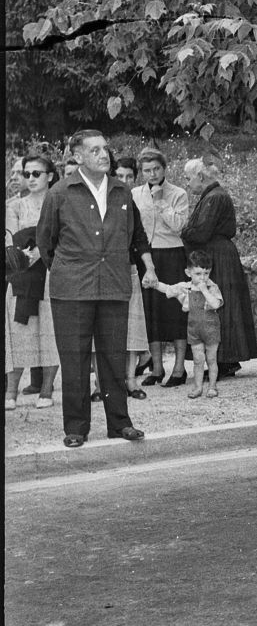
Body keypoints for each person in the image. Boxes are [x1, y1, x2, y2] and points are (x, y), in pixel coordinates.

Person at [34, 129, 157, 447]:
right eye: (95, 150)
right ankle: (76, 427)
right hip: (72, 290)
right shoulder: (60, 193)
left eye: (105, 149)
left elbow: (135, 234)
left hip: (114, 287)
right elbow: (46, 244)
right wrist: (71, 270)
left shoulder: (122, 192)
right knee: (74, 359)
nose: (104, 155)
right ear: (77, 156)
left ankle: (120, 424)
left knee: (114, 358)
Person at [180, 157, 257, 378]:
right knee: (222, 306)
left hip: (218, 256)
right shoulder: (214, 196)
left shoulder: (214, 198)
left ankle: (224, 360)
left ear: (201, 177)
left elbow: (200, 231)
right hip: (218, 254)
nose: (188, 184)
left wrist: (185, 230)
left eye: (189, 179)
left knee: (219, 306)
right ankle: (225, 359)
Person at [5, 155, 61, 410]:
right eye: (26, 174)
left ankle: (47, 390)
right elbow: (9, 239)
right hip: (23, 275)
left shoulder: (60, 203)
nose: (30, 179)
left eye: (36, 174)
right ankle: (11, 392)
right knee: (18, 332)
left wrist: (42, 250)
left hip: (51, 275)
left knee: (50, 332)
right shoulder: (15, 206)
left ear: (50, 175)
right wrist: (21, 253)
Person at [132, 148, 189, 387]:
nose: (152, 174)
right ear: (141, 172)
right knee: (151, 312)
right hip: (147, 256)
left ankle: (179, 368)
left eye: (156, 169)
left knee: (175, 312)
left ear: (164, 168)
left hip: (172, 254)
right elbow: (134, 228)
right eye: (147, 170)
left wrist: (161, 201)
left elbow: (179, 226)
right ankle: (156, 368)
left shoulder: (178, 193)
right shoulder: (134, 193)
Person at [156, 249, 225, 398]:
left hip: (211, 328)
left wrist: (204, 290)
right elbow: (168, 289)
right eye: (198, 274)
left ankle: (212, 387)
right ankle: (198, 387)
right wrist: (154, 284)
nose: (203, 278)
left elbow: (215, 304)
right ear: (189, 273)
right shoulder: (185, 287)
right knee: (198, 359)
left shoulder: (212, 287)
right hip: (194, 329)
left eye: (206, 274)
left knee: (211, 359)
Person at [113, 157, 151, 399]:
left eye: (129, 177)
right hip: (105, 272)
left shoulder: (130, 203)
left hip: (128, 270)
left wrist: (150, 267)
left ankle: (130, 379)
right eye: (120, 176)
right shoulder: (100, 201)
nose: (124, 181)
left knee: (132, 327)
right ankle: (103, 384)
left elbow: (140, 237)